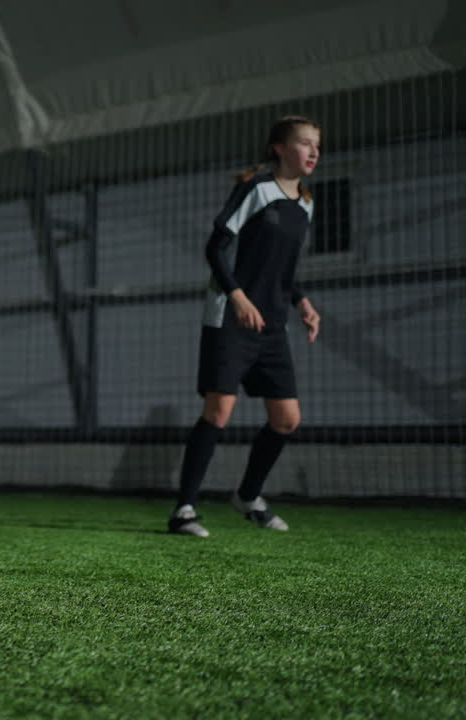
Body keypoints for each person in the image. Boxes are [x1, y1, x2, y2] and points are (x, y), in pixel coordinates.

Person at [168, 116, 322, 537]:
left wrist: (303, 302)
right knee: (219, 410)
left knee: (287, 419)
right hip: (230, 318)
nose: (313, 152)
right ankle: (184, 509)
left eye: (317, 146)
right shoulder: (256, 189)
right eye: (305, 143)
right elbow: (215, 248)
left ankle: (248, 496)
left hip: (272, 326)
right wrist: (237, 296)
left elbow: (283, 273)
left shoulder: (306, 204)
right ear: (279, 148)